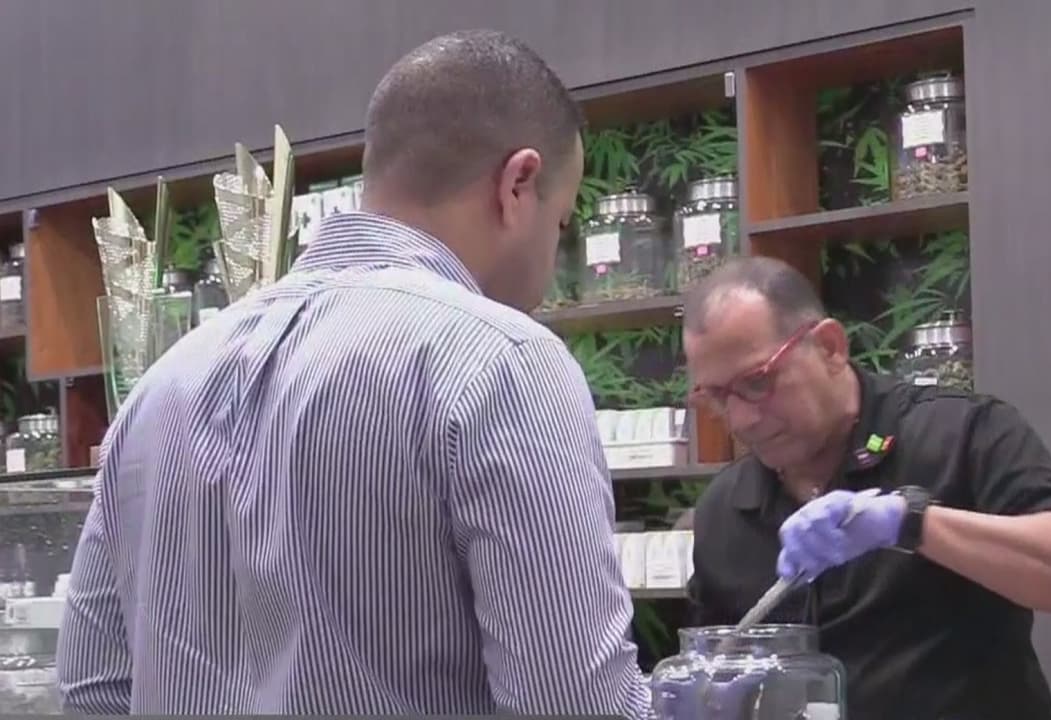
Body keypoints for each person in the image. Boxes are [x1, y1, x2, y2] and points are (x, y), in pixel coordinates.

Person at [54, 30, 654, 716]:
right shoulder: (501, 363)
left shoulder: (160, 387)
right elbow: (572, 701)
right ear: (517, 184)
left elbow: (94, 691)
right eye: (562, 223)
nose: (552, 260)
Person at [675, 256, 1051, 720]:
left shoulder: (959, 434)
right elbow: (710, 671)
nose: (741, 420)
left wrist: (909, 523)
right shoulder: (724, 508)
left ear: (830, 347)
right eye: (717, 397)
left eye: (757, 382)